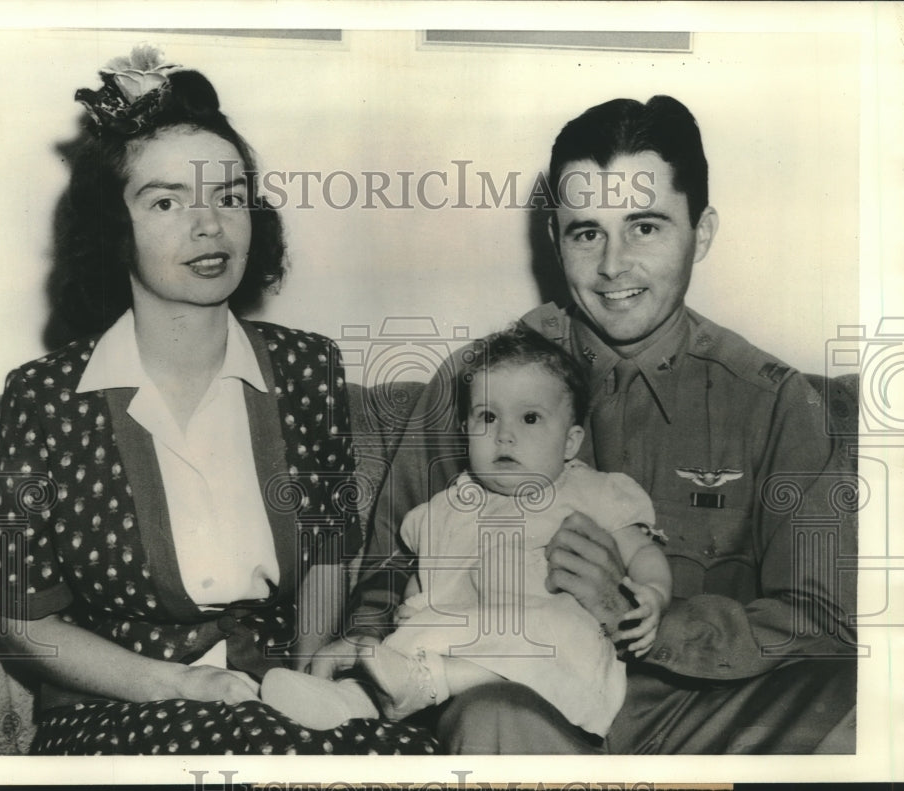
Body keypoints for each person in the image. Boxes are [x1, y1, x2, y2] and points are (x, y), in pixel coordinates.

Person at [316, 95, 859, 754]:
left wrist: (643, 618)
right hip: (520, 696)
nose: (612, 265)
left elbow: (824, 617)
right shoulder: (480, 379)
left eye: (646, 227)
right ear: (555, 237)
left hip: (706, 714)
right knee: (492, 715)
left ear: (703, 231)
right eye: (586, 231)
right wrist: (365, 641)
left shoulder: (776, 402)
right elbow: (392, 563)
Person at [0, 45, 437, 756]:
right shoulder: (41, 398)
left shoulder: (307, 368)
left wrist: (308, 678)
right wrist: (174, 684)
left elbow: (324, 554)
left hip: (276, 697)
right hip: (119, 711)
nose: (210, 225)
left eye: (228, 196)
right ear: (113, 229)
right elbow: (20, 618)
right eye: (167, 201)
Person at [260, 325, 672, 735]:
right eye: (487, 416)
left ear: (570, 441)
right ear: (464, 430)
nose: (504, 434)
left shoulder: (590, 491)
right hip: (463, 630)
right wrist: (412, 602)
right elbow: (428, 569)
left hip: (542, 647)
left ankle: (425, 684)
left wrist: (652, 593)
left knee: (555, 632)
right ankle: (349, 701)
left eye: (530, 418)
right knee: (413, 635)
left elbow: (641, 551)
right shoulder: (444, 506)